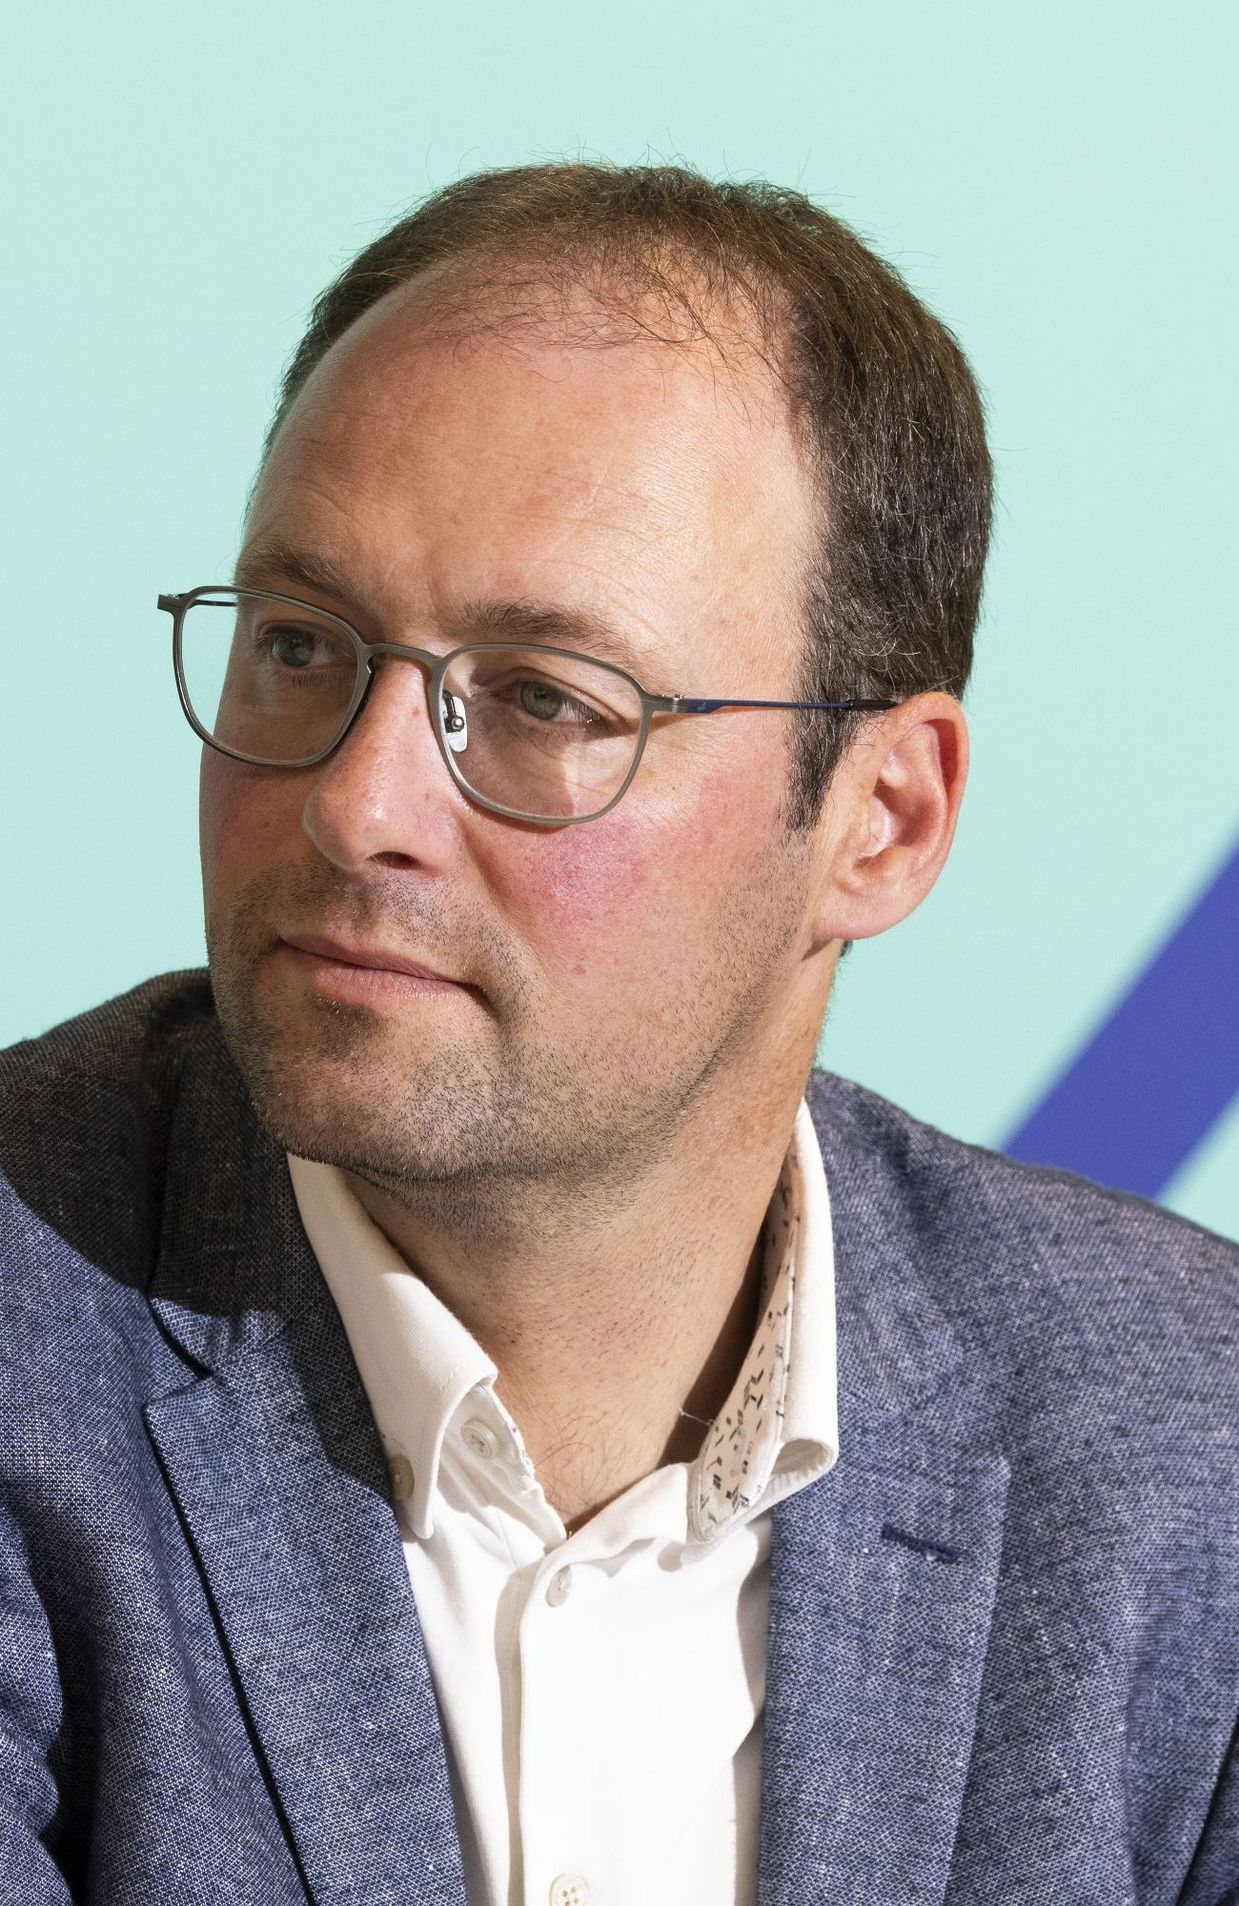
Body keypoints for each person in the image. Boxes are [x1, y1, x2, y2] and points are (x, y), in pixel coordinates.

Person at [0, 162, 1234, 1906]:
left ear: (880, 821)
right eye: (299, 645)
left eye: (544, 700)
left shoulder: (1193, 1445)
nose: (356, 807)